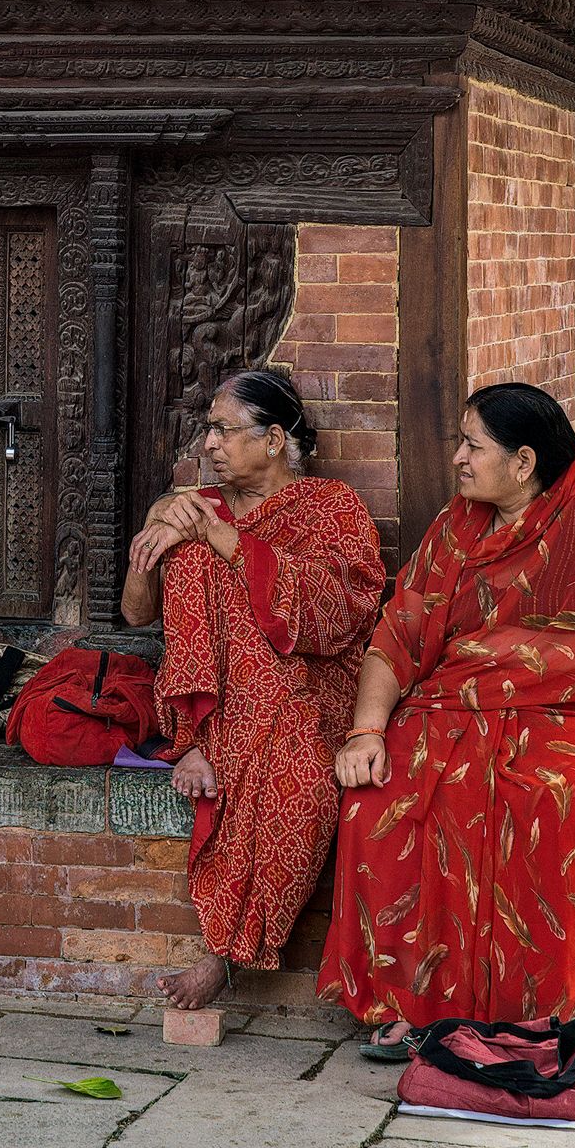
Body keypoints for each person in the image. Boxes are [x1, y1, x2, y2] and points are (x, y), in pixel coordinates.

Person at [320, 381, 575, 1050]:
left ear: (522, 462)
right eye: (460, 441)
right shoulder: (457, 526)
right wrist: (367, 729)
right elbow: (398, 636)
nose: (458, 458)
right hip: (461, 703)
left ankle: (532, 1021)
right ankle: (414, 1004)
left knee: (564, 799)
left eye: (472, 445)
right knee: (384, 798)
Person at [121, 367, 385, 1011]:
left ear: (272, 439)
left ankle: (224, 954)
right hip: (216, 707)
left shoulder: (330, 507)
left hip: (309, 688)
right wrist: (151, 545)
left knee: (300, 776)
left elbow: (340, 612)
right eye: (206, 430)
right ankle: (193, 740)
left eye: (223, 430)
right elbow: (136, 614)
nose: (209, 444)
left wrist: (230, 543)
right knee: (188, 557)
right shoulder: (193, 508)